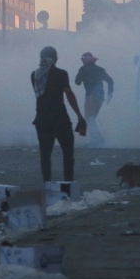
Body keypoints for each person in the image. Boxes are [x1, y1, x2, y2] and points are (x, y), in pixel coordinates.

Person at [31, 46, 86, 183]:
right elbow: (69, 94)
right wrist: (79, 115)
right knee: (68, 153)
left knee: (45, 155)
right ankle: (68, 185)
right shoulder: (61, 74)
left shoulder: (34, 75)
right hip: (60, 119)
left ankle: (47, 185)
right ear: (55, 58)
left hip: (42, 120)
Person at [74, 52, 114, 147]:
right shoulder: (100, 70)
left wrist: (81, 74)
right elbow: (110, 81)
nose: (82, 61)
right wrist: (109, 93)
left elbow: (77, 82)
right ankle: (95, 139)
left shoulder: (83, 69)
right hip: (100, 98)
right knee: (91, 119)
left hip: (91, 97)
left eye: (83, 59)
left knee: (89, 119)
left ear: (87, 60)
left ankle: (98, 139)